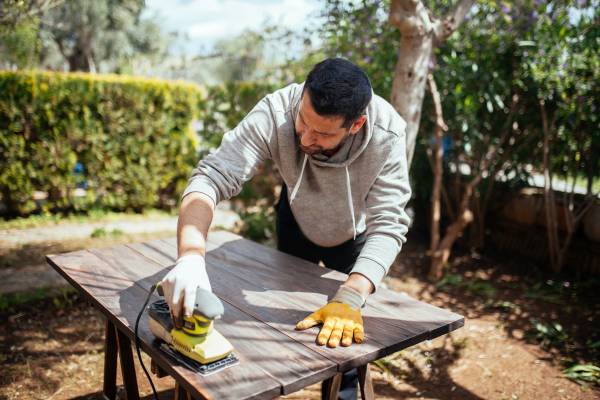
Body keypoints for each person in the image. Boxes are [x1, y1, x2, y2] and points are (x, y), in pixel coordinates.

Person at [160, 57, 411, 400]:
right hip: (296, 219)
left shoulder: (388, 133)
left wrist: (352, 295)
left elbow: (390, 222)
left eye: (322, 133)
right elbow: (211, 177)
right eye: (302, 121)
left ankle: (342, 393)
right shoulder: (277, 110)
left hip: (354, 236)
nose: (305, 137)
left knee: (344, 339)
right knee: (283, 323)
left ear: (356, 124)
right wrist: (190, 257)